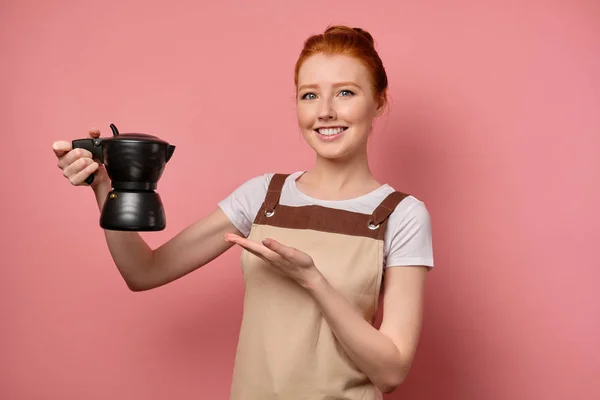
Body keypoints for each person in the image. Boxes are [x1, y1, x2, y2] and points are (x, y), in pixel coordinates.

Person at [52, 25, 434, 399]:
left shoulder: (401, 215)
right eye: (309, 96)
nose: (326, 112)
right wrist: (104, 186)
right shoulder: (263, 196)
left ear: (379, 102)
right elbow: (143, 272)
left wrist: (313, 281)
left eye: (346, 93)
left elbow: (391, 371)